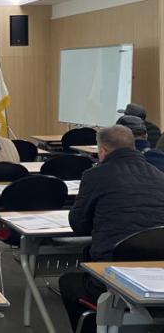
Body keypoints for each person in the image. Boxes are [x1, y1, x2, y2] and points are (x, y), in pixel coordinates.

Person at [59, 125, 164, 331]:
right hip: (157, 273)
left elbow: (78, 225)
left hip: (113, 276)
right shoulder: (159, 176)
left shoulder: (94, 176)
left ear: (102, 151)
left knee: (69, 283)